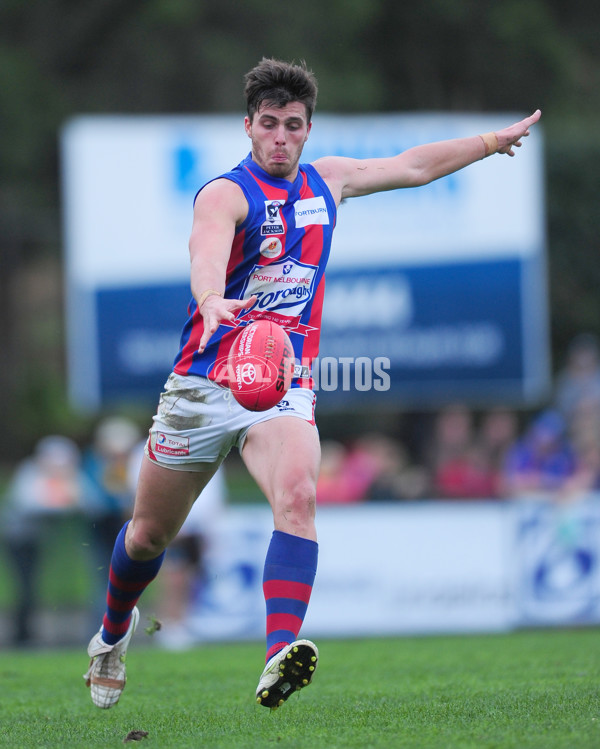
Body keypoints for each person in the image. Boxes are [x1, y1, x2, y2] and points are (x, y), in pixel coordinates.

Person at [83, 57, 541, 710]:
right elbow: (206, 247)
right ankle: (111, 633)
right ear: (248, 126)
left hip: (282, 379)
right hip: (203, 383)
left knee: (298, 495)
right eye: (267, 124)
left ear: (306, 131)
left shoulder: (330, 181)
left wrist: (491, 142)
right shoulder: (226, 192)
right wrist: (211, 298)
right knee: (148, 535)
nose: (278, 136)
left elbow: (413, 166)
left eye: (291, 126)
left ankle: (279, 655)